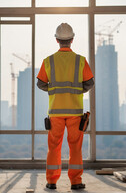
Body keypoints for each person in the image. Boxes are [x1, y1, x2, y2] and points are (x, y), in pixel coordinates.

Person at [36, 23, 95, 190]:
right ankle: (76, 182)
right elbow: (90, 83)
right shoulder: (80, 60)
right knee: (75, 147)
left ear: (57, 40)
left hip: (55, 113)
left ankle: (51, 181)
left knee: (54, 147)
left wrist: (54, 90)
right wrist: (77, 91)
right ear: (72, 40)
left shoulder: (48, 61)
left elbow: (40, 84)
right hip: (75, 112)